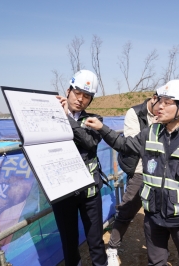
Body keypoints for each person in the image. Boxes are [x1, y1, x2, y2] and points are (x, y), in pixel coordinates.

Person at [85, 80, 179, 266]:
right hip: (154, 215)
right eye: (159, 101)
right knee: (156, 262)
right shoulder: (150, 133)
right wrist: (102, 128)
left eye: (166, 102)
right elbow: (124, 145)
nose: (159, 107)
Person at [55, 70, 107, 266]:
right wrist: (54, 113)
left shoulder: (94, 119)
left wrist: (65, 117)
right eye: (77, 93)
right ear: (68, 91)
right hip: (63, 191)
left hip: (89, 191)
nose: (81, 99)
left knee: (95, 240)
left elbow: (89, 142)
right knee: (69, 241)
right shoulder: (51, 115)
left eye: (87, 96)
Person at [106, 91, 159, 266]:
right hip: (140, 170)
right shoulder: (134, 113)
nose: (164, 108)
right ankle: (112, 248)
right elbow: (133, 143)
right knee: (127, 209)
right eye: (162, 103)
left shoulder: (166, 112)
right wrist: (156, 128)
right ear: (153, 98)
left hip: (160, 171)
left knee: (157, 213)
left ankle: (157, 253)